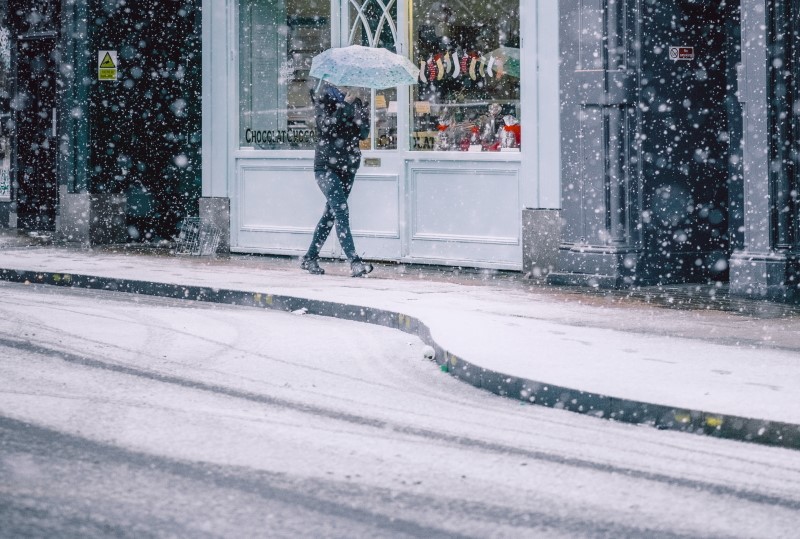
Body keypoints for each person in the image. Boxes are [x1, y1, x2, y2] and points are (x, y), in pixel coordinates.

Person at [301, 82, 374, 277]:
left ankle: (310, 257)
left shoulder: (358, 102)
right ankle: (355, 262)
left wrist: (359, 109)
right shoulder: (324, 98)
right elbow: (326, 127)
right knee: (341, 211)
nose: (348, 85)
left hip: (348, 166)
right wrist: (346, 106)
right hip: (326, 166)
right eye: (345, 82)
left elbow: (364, 133)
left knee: (330, 214)